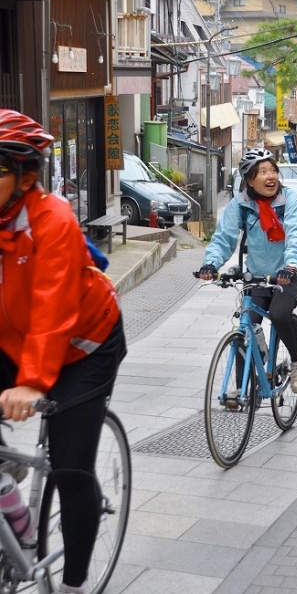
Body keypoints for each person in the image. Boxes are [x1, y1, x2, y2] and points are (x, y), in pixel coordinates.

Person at [0, 110, 126, 594]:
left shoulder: (52, 219)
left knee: (72, 469)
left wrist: (31, 382)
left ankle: (73, 584)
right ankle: (10, 492)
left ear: (25, 175)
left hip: (85, 345)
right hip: (15, 341)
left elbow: (53, 308)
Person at [198, 148, 297, 394]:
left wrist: (291, 265)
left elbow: (294, 234)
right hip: (257, 274)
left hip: (290, 273)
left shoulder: (288, 199)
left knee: (279, 314)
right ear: (249, 180)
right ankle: (243, 389)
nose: (271, 176)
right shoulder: (241, 203)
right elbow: (224, 237)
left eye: (273, 170)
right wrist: (211, 264)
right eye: (263, 172)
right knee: (246, 323)